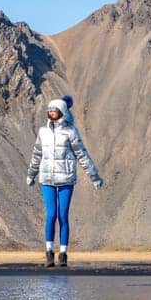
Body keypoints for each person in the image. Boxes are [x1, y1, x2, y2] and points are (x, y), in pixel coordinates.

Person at [26, 96, 103, 267]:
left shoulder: (71, 132)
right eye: (49, 110)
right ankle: (48, 253)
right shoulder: (43, 132)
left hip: (66, 180)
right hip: (46, 179)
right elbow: (37, 154)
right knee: (51, 215)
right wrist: (31, 174)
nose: (51, 112)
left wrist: (94, 177)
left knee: (63, 216)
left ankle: (63, 254)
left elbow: (82, 155)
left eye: (54, 110)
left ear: (61, 111)